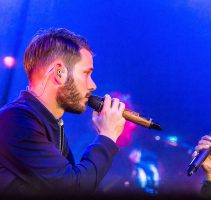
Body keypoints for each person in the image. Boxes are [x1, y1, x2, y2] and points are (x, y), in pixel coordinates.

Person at [0, 28, 126, 195]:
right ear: (59, 72)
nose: (92, 85)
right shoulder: (16, 120)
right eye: (86, 73)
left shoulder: (49, 124)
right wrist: (107, 136)